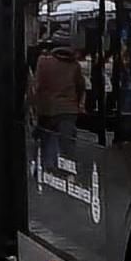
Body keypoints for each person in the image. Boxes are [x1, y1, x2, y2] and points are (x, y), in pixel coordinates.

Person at [29, 35, 84, 172]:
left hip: (47, 109)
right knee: (67, 144)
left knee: (46, 139)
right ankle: (68, 173)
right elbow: (80, 86)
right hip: (68, 110)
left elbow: (38, 86)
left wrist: (34, 105)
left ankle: (46, 170)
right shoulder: (74, 65)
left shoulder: (43, 61)